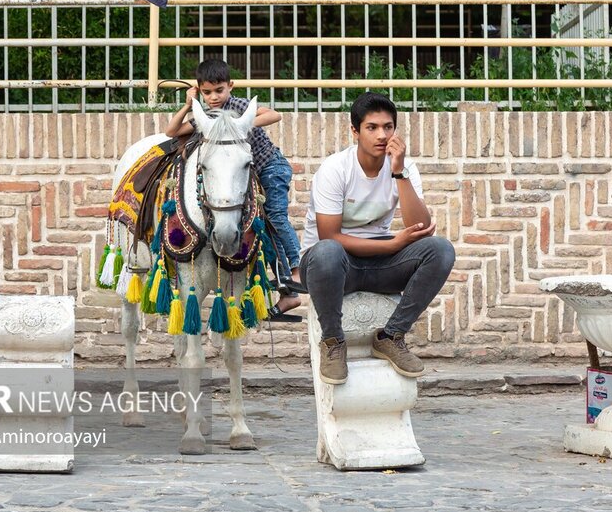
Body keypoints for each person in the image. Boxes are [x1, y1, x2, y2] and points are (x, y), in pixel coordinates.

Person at [299, 92, 455, 385]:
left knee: (441, 250)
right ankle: (333, 342)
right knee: (327, 251)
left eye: (388, 127)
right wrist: (395, 244)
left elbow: (421, 226)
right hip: (329, 269)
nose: (382, 135)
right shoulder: (335, 169)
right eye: (372, 127)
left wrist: (399, 173)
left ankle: (391, 336)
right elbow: (329, 235)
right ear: (355, 132)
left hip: (380, 263)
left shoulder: (403, 168)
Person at [164, 59, 303, 320]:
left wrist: (239, 124)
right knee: (261, 230)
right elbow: (171, 131)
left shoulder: (237, 106)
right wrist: (188, 105)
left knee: (275, 217)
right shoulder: (207, 117)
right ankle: (287, 293)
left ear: (230, 86)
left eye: (219, 90)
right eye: (206, 92)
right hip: (244, 179)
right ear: (199, 91)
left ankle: (297, 270)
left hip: (269, 167)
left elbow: (275, 114)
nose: (214, 97)